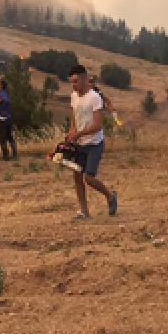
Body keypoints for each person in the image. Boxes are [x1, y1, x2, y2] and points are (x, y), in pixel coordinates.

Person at [66, 65, 118, 219]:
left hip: (94, 144)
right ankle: (84, 212)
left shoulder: (94, 98)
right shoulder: (74, 96)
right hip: (79, 144)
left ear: (84, 80)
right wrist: (71, 133)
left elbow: (98, 125)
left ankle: (110, 196)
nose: (73, 85)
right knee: (77, 177)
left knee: (89, 178)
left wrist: (78, 134)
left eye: (75, 81)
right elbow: (75, 118)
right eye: (71, 82)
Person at [0, 79, 17, 160]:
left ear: (1, 86)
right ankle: (14, 152)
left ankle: (5, 155)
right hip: (8, 117)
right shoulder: (6, 93)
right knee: (9, 136)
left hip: (2, 118)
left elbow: (0, 101)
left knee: (2, 137)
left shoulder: (1, 94)